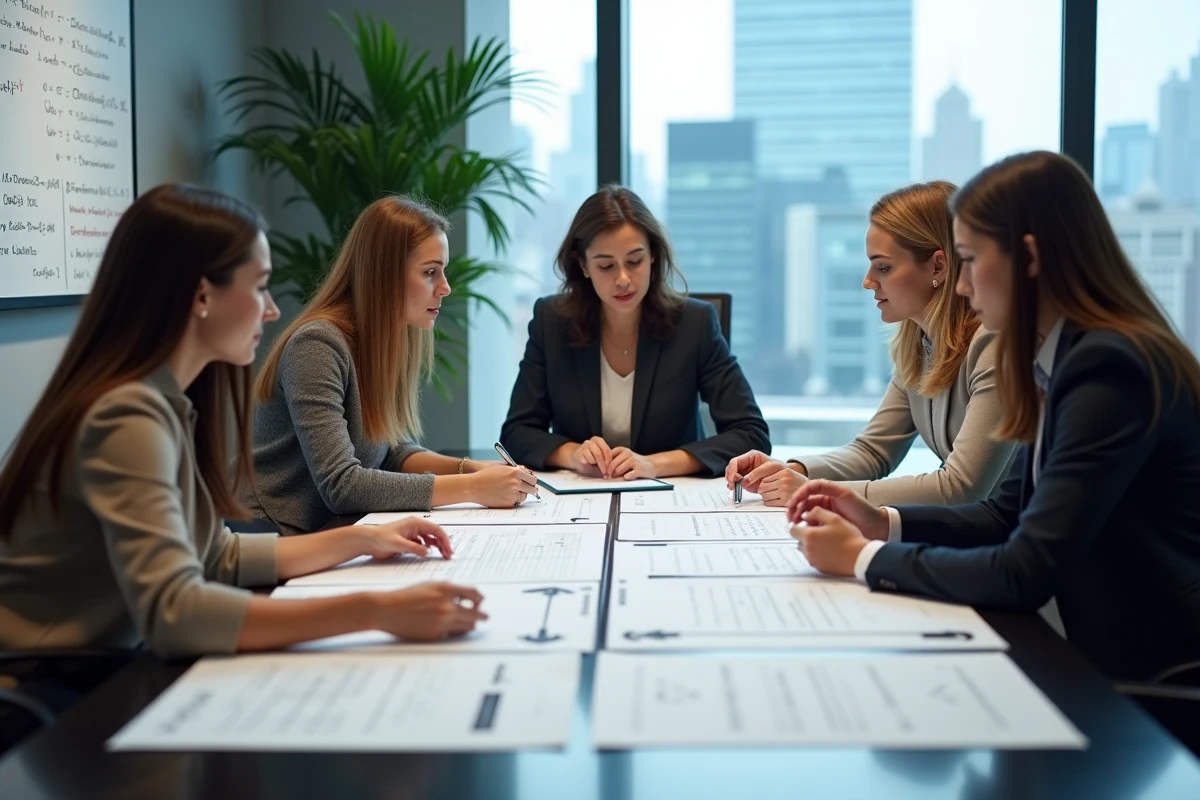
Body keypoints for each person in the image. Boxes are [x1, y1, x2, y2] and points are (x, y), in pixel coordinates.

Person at [0, 185, 486, 659]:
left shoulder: (164, 401)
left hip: (94, 666)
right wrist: (375, 610)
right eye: (259, 286)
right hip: (42, 687)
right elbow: (177, 613)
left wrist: (362, 538)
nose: (273, 309)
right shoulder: (125, 417)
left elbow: (218, 557)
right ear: (202, 296)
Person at [786, 151, 1200, 681]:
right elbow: (1004, 514)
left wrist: (862, 559)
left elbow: (1023, 570)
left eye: (970, 260)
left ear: (1027, 258)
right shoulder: (1064, 357)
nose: (961, 285)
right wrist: (881, 522)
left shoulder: (1107, 370)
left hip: (1159, 676)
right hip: (1102, 652)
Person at [246, 196, 536, 535]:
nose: (445, 288)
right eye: (430, 272)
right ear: (383, 275)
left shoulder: (387, 339)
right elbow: (343, 486)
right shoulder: (317, 346)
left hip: (332, 532)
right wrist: (473, 488)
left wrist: (470, 470)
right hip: (271, 536)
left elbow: (389, 453)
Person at [725, 181, 1016, 506]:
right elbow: (873, 451)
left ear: (938, 266)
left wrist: (817, 493)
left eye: (884, 267)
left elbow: (960, 488)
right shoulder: (918, 346)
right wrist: (789, 471)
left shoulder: (994, 345)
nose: (868, 281)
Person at [500, 185, 770, 479]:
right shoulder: (550, 322)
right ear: (583, 265)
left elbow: (751, 434)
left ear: (653, 256)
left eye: (634, 261)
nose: (623, 279)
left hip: (672, 497)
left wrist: (656, 464)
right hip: (582, 497)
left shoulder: (695, 323)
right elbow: (517, 433)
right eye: (606, 266)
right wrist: (573, 454)